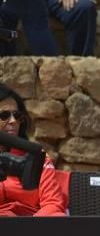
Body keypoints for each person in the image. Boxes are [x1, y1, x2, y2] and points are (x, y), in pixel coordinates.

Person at [0, 83, 66, 216]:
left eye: (17, 116)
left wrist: (26, 228)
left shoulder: (36, 157)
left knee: (57, 216)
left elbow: (52, 203)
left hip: (31, 225)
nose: (13, 121)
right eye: (4, 115)